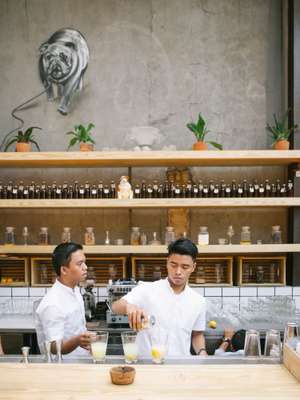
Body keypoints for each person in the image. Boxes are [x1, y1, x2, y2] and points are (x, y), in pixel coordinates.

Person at [112, 238, 207, 357]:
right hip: (147, 366)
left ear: (193, 267)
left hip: (180, 367)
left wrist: (202, 352)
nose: (178, 271)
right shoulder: (147, 289)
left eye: (185, 267)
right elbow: (115, 307)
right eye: (173, 265)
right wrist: (128, 306)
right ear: (167, 262)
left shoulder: (198, 301)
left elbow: (197, 335)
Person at [35, 242, 93, 357]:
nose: (85, 267)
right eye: (80, 264)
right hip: (62, 367)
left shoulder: (75, 290)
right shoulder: (52, 304)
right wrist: (78, 340)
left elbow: (77, 327)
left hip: (81, 361)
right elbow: (54, 347)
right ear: (64, 270)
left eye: (84, 262)